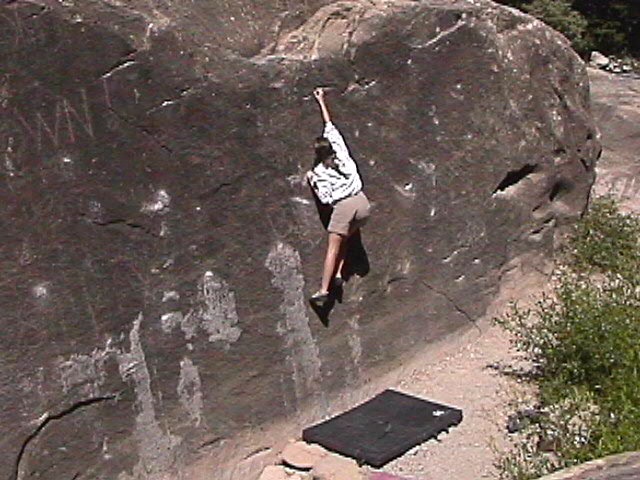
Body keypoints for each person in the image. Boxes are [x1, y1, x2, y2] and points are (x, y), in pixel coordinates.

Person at [306, 87, 371, 307]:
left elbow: (325, 199)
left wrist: (312, 181)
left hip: (344, 206)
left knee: (333, 246)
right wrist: (321, 101)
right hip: (363, 204)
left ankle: (324, 290)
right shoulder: (342, 153)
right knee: (346, 237)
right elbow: (330, 126)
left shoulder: (319, 173)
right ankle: (339, 274)